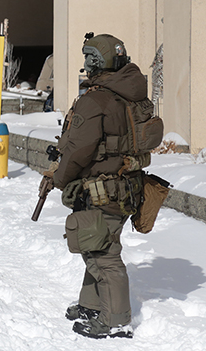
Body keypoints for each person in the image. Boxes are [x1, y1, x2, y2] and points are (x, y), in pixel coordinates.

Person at [49, 33, 159, 340]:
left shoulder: (95, 99)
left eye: (89, 58)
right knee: (96, 241)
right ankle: (90, 304)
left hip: (102, 188)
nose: (85, 64)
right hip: (128, 185)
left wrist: (59, 178)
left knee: (103, 254)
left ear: (98, 63)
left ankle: (116, 320)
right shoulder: (131, 93)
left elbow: (78, 150)